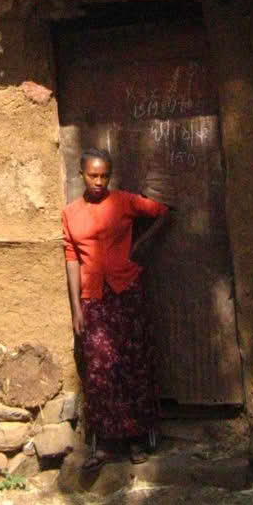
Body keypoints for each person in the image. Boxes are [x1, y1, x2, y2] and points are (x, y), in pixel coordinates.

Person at [61, 147, 172, 467]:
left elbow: (163, 212)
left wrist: (141, 245)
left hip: (127, 292)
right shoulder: (70, 213)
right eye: (93, 175)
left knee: (132, 363)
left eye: (104, 176)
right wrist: (76, 309)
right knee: (100, 367)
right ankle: (108, 443)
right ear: (81, 174)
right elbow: (72, 260)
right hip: (93, 298)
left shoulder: (124, 201)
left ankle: (137, 440)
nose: (98, 181)